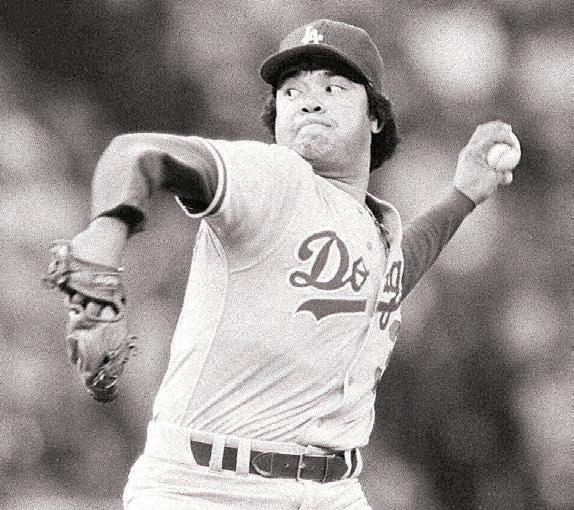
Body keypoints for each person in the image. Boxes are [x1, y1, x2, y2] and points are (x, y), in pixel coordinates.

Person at [50, 19, 520, 510]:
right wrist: (103, 242)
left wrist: (463, 196)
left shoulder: (372, 227)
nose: (308, 101)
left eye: (333, 88)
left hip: (332, 492)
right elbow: (136, 154)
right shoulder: (274, 177)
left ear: (376, 118)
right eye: (291, 92)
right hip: (207, 488)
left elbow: (385, 281)